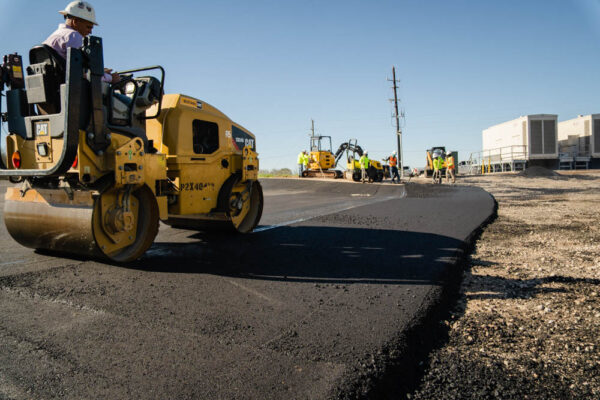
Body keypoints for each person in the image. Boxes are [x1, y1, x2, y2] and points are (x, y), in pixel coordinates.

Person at [43, 1, 119, 83]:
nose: (90, 32)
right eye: (88, 27)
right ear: (75, 21)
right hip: (69, 89)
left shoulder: (53, 36)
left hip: (53, 87)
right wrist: (110, 78)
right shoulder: (74, 36)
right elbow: (82, 74)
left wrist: (100, 72)